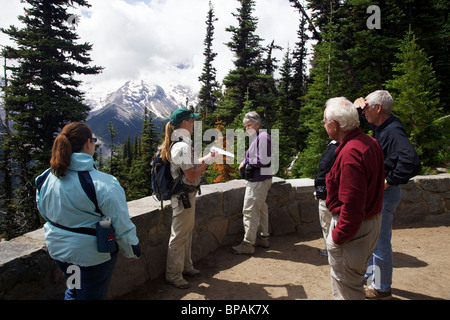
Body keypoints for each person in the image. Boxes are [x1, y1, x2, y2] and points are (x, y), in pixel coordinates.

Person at [35, 122, 141, 300]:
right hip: (92, 256)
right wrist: (132, 251)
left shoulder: (47, 176)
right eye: (93, 140)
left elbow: (44, 210)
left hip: (60, 251)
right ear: (87, 143)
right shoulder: (102, 183)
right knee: (90, 295)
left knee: (74, 289)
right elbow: (120, 223)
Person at [354, 90, 421, 300]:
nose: (364, 113)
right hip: (383, 194)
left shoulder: (393, 132)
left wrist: (388, 181)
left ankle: (381, 288)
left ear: (378, 108)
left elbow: (411, 162)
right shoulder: (384, 127)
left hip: (386, 194)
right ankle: (373, 279)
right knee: (374, 239)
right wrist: (357, 108)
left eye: (367, 108)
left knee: (380, 241)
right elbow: (368, 125)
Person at [323, 97, 385, 300]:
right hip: (370, 225)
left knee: (347, 289)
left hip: (354, 231)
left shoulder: (350, 154)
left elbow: (352, 205)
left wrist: (337, 237)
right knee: (353, 281)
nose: (324, 125)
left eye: (325, 121)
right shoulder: (369, 142)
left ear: (334, 124)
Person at [160, 107, 216, 289]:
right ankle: (174, 275)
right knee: (179, 235)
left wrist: (209, 156)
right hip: (183, 196)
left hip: (186, 195)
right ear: (184, 122)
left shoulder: (180, 143)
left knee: (186, 232)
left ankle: (186, 267)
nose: (194, 124)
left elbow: (191, 167)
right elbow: (191, 175)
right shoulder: (182, 146)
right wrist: (208, 162)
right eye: (192, 121)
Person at [232, 111, 273, 255]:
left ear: (258, 124)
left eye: (249, 125)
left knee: (249, 210)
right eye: (245, 126)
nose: (247, 128)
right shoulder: (260, 136)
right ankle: (263, 238)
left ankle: (248, 244)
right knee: (261, 209)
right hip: (260, 179)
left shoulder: (262, 137)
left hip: (259, 181)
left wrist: (246, 162)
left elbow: (263, 159)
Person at [314, 139, 339, 257]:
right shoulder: (349, 145)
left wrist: (318, 187)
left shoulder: (332, 150)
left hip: (328, 194)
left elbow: (323, 170)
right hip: (339, 194)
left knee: (327, 224)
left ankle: (331, 251)